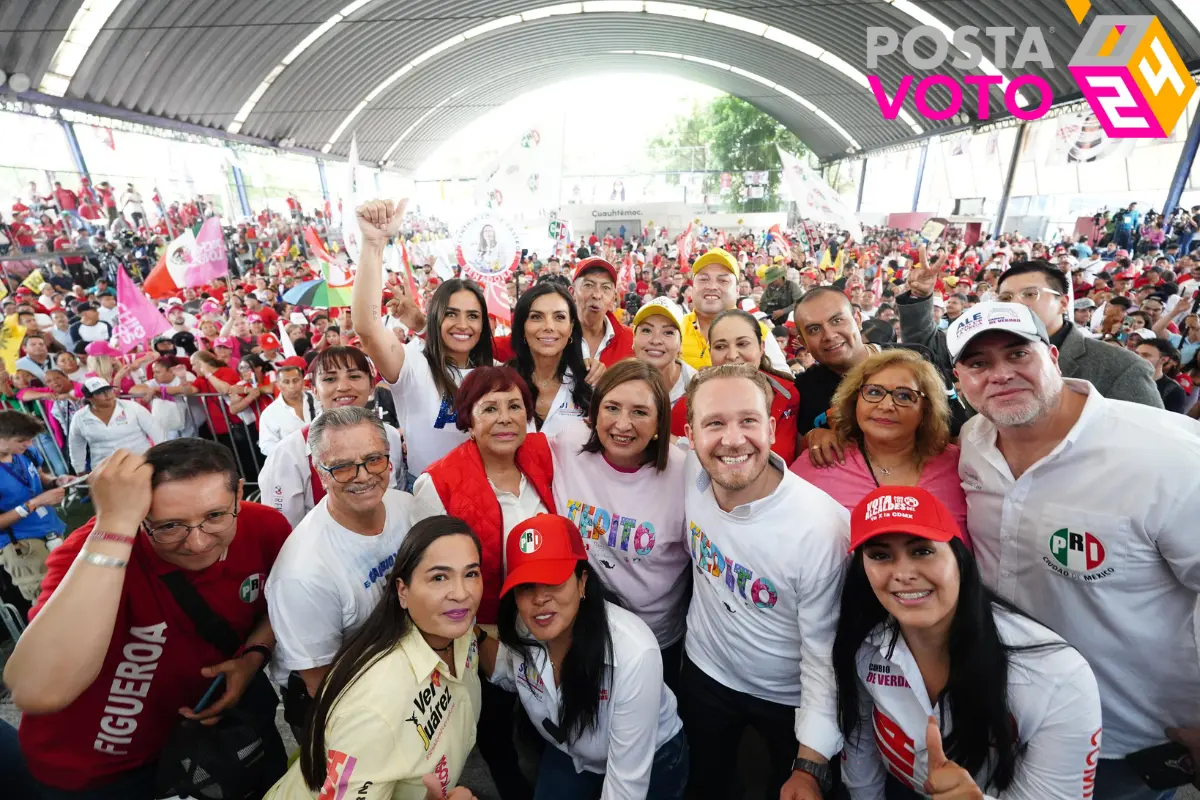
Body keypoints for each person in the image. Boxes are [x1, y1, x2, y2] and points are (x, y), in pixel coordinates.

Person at [947, 301, 1200, 800]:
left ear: (1055, 358)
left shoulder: (1169, 455)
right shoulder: (974, 440)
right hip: (1007, 718)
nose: (1000, 375)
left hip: (1125, 740)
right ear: (959, 379)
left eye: (1017, 353)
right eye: (978, 364)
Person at [4, 440, 291, 798]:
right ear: (140, 516)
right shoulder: (90, 552)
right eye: (170, 526)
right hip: (103, 770)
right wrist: (114, 525)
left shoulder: (265, 528)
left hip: (212, 739)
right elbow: (36, 689)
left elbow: (280, 603)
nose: (198, 543)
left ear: (239, 494)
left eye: (215, 516)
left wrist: (253, 656)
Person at [834, 486, 1103, 799]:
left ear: (959, 558)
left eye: (922, 550)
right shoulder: (865, 641)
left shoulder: (1058, 677)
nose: (903, 573)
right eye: (880, 556)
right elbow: (861, 739)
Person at [679, 363, 849, 800]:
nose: (732, 440)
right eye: (714, 423)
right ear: (690, 431)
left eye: (748, 421)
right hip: (705, 670)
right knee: (705, 783)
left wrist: (811, 764)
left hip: (785, 694)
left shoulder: (822, 528)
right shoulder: (688, 478)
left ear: (772, 428)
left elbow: (823, 653)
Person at [411, 365, 555, 800]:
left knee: (548, 711)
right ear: (468, 419)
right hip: (485, 627)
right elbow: (431, 576)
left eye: (515, 406)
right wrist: (473, 634)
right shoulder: (436, 483)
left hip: (547, 615)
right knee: (493, 719)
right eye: (489, 408)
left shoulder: (542, 453)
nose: (506, 417)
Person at [265, 517, 482, 800]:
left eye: (471, 574)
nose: (462, 593)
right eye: (439, 577)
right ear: (402, 591)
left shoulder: (458, 632)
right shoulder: (375, 706)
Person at [478, 513, 689, 799]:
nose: (540, 598)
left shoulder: (633, 654)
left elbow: (625, 789)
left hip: (651, 760)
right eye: (526, 586)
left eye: (553, 581)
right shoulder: (524, 628)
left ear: (582, 582)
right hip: (569, 753)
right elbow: (508, 670)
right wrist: (470, 635)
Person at [265, 407, 416, 724]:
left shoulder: (408, 508)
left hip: (404, 677)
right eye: (343, 467)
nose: (363, 476)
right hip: (341, 705)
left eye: (374, 459)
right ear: (320, 474)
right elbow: (321, 682)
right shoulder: (301, 574)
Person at [548, 360, 690, 687]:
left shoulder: (684, 475)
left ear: (659, 421)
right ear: (594, 413)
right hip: (583, 626)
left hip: (655, 637)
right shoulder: (569, 444)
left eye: (640, 412)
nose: (622, 424)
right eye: (611, 408)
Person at [899, 256, 1162, 407]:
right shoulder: (977, 345)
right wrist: (920, 297)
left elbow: (1152, 447)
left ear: (1063, 302)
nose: (1016, 302)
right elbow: (925, 348)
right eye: (1006, 297)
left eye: (1029, 294)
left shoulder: (1119, 367)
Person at [352, 198, 495, 476]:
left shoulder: (496, 372)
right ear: (435, 317)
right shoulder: (412, 364)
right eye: (451, 314)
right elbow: (367, 328)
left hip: (486, 496)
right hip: (429, 499)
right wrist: (372, 245)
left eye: (473, 316)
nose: (462, 325)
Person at [791, 348, 967, 533]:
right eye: (874, 392)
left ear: (926, 409)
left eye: (904, 396)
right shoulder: (819, 461)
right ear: (854, 401)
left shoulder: (961, 466)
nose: (886, 406)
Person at [257, 347, 406, 527]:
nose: (343, 387)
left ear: (372, 385)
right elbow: (283, 528)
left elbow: (398, 496)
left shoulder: (390, 436)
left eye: (354, 376)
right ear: (315, 390)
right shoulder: (288, 454)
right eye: (329, 379)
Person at [671, 308, 801, 462]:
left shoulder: (788, 393)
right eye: (720, 346)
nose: (732, 355)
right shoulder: (688, 407)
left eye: (742, 343)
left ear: (761, 347)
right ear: (710, 352)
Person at [680, 248, 790, 372]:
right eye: (703, 279)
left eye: (723, 280)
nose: (711, 286)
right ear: (692, 288)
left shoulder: (759, 332)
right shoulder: (672, 330)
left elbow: (784, 386)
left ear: (737, 290)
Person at [0, 411, 69, 607]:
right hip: (20, 542)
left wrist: (55, 481)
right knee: (48, 601)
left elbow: (39, 476)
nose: (29, 444)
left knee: (73, 583)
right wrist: (35, 503)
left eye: (30, 439)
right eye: (22, 440)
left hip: (51, 529)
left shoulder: (25, 452)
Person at [509, 282, 594, 435]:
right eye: (536, 317)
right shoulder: (500, 381)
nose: (549, 326)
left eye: (559, 317)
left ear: (571, 327)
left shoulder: (591, 384)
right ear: (522, 326)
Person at [67, 377, 164, 474]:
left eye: (108, 390)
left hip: (140, 464)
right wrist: (79, 470)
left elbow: (156, 431)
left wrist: (164, 458)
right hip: (104, 470)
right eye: (100, 393)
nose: (107, 395)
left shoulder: (132, 407)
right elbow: (76, 445)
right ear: (89, 398)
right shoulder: (80, 417)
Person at [631, 297, 695, 402]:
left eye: (668, 332)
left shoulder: (697, 387)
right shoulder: (617, 383)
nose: (656, 340)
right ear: (634, 339)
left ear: (680, 344)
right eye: (647, 330)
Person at [257, 356, 317, 456]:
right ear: (278, 385)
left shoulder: (318, 399)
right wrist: (289, 453)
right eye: (286, 382)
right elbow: (266, 446)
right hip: (295, 465)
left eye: (295, 380)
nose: (292, 386)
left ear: (302, 381)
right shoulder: (270, 413)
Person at [1134, 338, 1189, 413]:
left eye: (1146, 355)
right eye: (1136, 354)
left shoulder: (1174, 391)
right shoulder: (1123, 378)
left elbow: (1171, 422)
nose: (1138, 358)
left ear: (1164, 359)